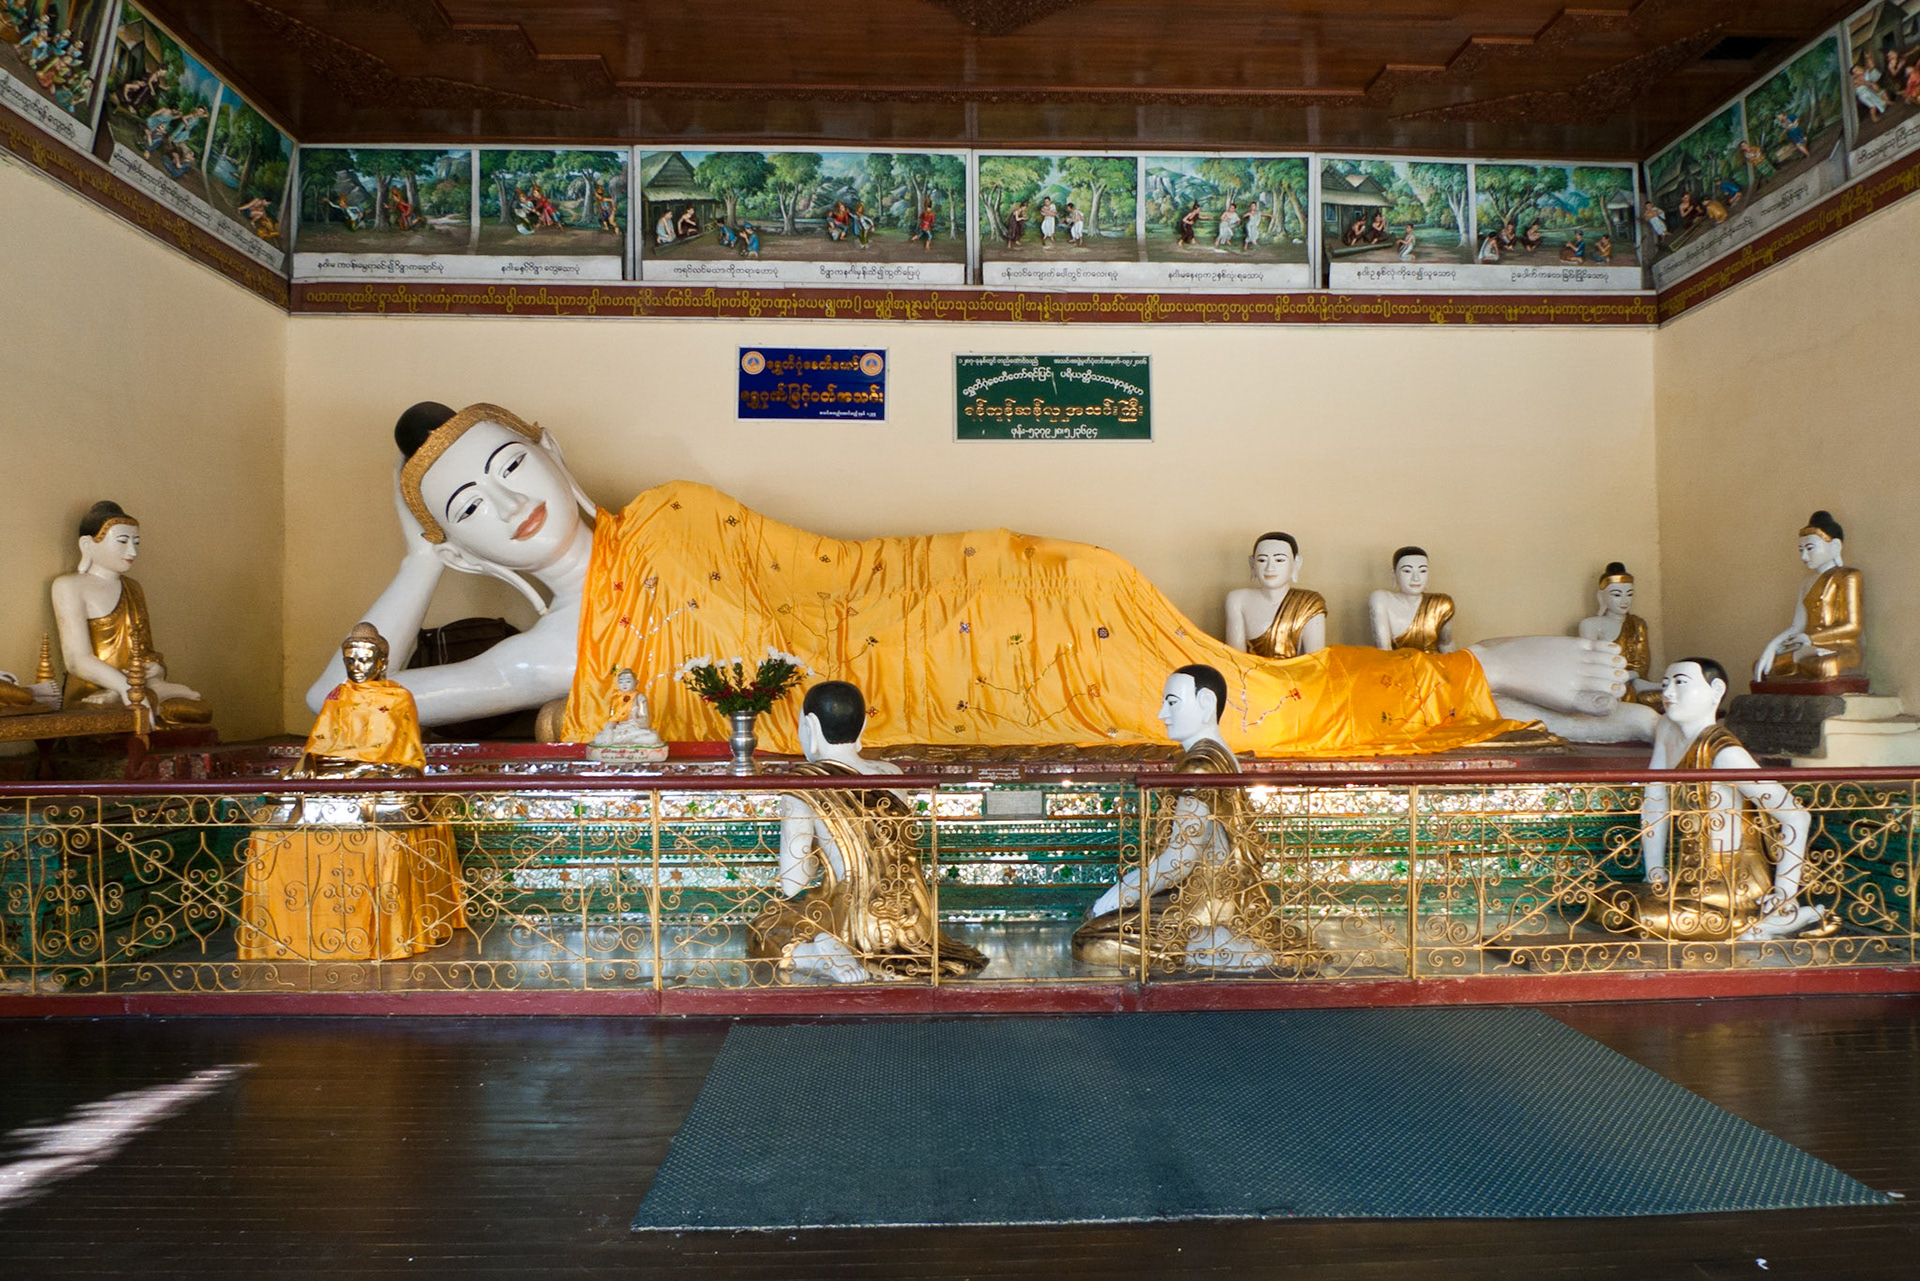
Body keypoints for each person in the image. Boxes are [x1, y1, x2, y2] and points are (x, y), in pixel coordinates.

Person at [312, 402, 1634, 757]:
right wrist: (417, 558)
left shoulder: (662, 515)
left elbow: (812, 579)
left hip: (973, 590)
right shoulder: (550, 655)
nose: (507, 503)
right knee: (1246, 713)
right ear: (471, 545)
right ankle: (1492, 680)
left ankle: (1493, 670)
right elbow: (338, 702)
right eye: (472, 510)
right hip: (927, 685)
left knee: (1243, 700)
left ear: (548, 450)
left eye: (503, 467)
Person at [748, 680, 989, 982]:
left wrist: (818, 858)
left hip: (848, 917)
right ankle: (839, 950)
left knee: (765, 925)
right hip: (908, 919)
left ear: (809, 728)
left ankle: (816, 953)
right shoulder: (893, 775)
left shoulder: (803, 786)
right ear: (861, 729)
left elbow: (793, 882)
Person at [1071, 665, 1304, 971]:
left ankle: (1205, 948)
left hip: (1203, 907)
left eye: (1171, 702)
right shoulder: (1220, 754)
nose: (1161, 715)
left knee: (1089, 940)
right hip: (1219, 897)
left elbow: (1179, 860)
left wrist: (1115, 897)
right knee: (1105, 928)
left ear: (1206, 703)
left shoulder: (1199, 765)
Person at [1601, 659, 1833, 942]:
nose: (1668, 693)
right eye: (1665, 685)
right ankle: (1753, 925)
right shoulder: (1667, 729)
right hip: (1687, 879)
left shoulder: (1724, 752)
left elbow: (1796, 815)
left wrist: (1784, 896)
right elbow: (1655, 799)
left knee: (1646, 916)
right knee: (1606, 901)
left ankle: (1769, 919)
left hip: (1732, 883)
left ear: (1716, 690)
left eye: (1680, 683)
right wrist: (1655, 872)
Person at [51, 502, 210, 725]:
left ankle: (153, 693)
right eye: (123, 542)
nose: (132, 551)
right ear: (88, 545)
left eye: (136, 542)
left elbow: (144, 651)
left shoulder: (133, 588)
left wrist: (155, 671)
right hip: (93, 694)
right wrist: (124, 687)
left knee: (197, 711)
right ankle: (148, 696)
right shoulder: (69, 586)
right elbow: (77, 660)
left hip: (136, 686)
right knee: (108, 717)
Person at [288, 624, 425, 780]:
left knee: (403, 776)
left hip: (380, 766)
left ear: (382, 664)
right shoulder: (339, 695)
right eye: (350, 661)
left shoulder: (399, 697)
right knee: (288, 776)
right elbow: (321, 739)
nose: (356, 668)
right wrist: (308, 759)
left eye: (364, 661)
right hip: (338, 764)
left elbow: (409, 749)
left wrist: (408, 767)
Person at [1755, 510, 1863, 683]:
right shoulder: (1806, 583)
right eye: (1801, 550)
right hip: (1807, 647)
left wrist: (1810, 638)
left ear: (1835, 546)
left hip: (1840, 648)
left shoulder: (1848, 576)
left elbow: (1853, 627)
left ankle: (1800, 660)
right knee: (1765, 667)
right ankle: (1798, 659)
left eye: (1810, 548)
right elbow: (1797, 626)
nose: (1804, 556)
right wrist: (1772, 646)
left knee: (1823, 667)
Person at [1224, 532, 1326, 660]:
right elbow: (1236, 660)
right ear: (1252, 563)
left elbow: (1315, 662)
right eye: (1262, 560)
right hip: (1250, 676)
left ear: (1296, 563)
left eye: (1279, 560)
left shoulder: (1309, 603)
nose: (1270, 568)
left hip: (1294, 677)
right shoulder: (1238, 600)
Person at [1577, 564, 1662, 708]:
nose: (1625, 601)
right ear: (1601, 597)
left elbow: (1641, 666)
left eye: (1629, 594)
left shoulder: (1637, 624)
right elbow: (1589, 663)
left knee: (1655, 698)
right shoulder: (1590, 625)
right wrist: (1616, 677)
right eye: (1617, 595)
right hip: (1604, 683)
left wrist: (1629, 676)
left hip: (1632, 681)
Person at [1367, 547, 1452, 654]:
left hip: (1433, 665)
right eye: (1407, 571)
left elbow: (1446, 645)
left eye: (1422, 571)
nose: (1415, 578)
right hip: (1398, 665)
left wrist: (1454, 669)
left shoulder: (1441, 604)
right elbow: (1384, 649)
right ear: (1394, 574)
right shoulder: (1381, 599)